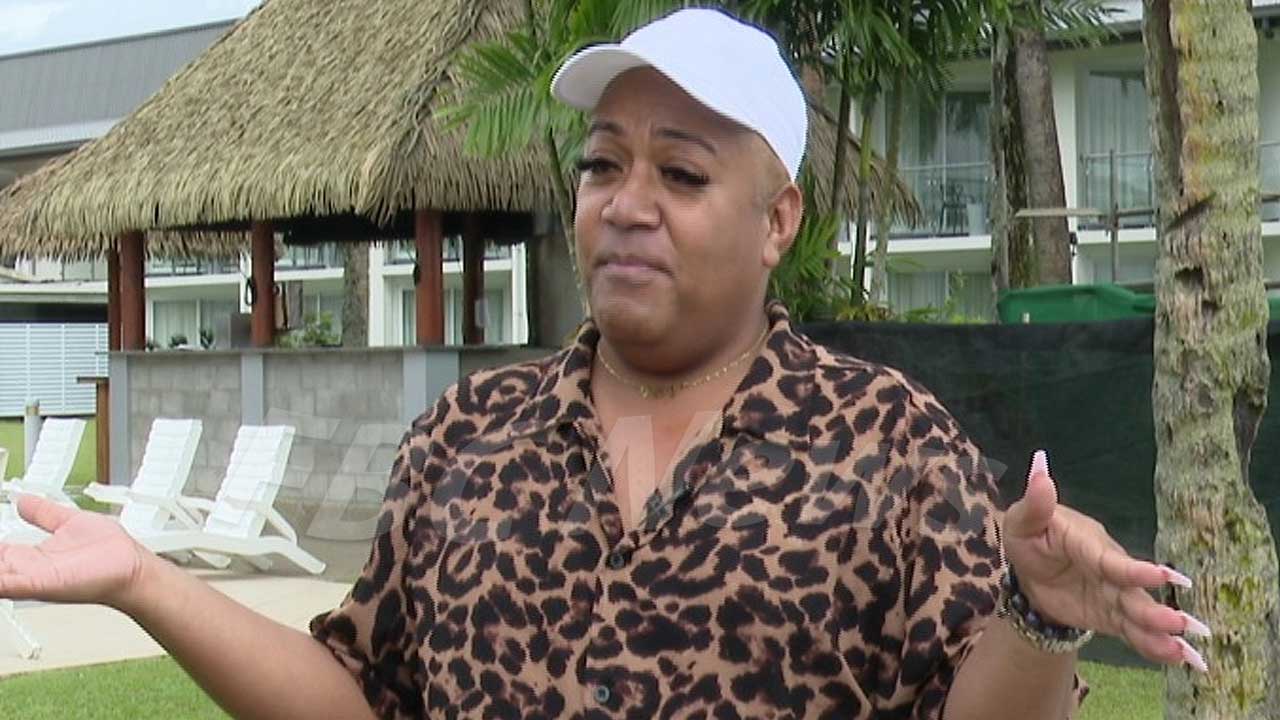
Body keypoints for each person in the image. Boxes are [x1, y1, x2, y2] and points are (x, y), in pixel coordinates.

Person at [0, 8, 1209, 720]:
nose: (627, 203)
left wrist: (1033, 615)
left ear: (776, 220)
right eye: (600, 164)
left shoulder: (888, 445)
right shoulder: (464, 440)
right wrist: (145, 580)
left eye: (679, 173)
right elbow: (358, 697)